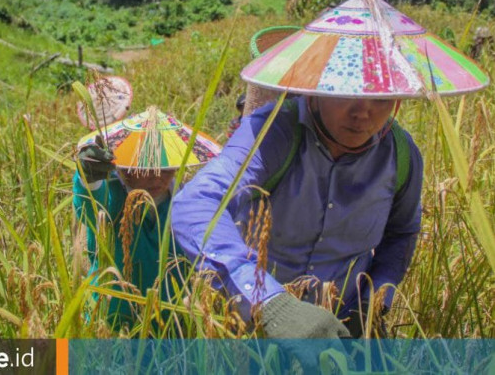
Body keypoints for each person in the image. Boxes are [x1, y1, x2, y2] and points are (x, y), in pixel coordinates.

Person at [171, 95, 422, 340]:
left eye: (380, 100)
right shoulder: (272, 130)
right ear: (317, 90)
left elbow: (401, 232)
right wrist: (269, 303)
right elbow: (198, 202)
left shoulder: (399, 154)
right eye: (346, 96)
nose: (362, 113)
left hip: (343, 330)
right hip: (254, 330)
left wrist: (371, 303)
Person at [73, 107, 221, 332]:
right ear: (124, 166)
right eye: (146, 167)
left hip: (169, 325)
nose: (156, 177)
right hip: (113, 323)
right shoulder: (112, 194)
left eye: (166, 168)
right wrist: (88, 175)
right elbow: (90, 202)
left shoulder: (183, 201)